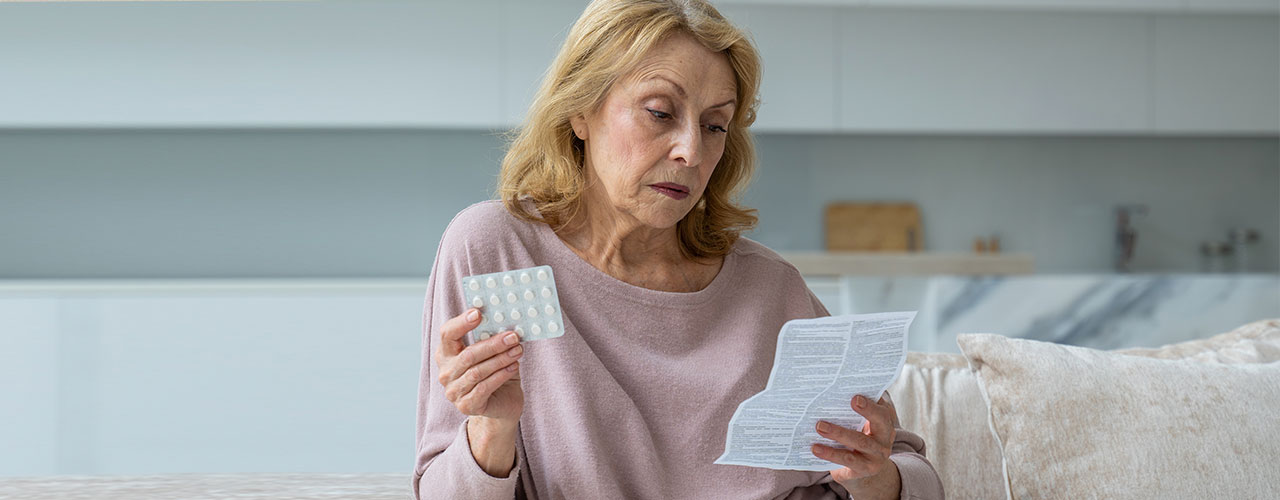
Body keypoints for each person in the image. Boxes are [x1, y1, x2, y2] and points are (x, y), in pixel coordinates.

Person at [413, 0, 944, 498]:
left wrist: (876, 476)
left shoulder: (769, 287)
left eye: (715, 125)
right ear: (580, 111)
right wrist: (491, 430)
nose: (691, 150)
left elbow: (913, 472)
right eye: (660, 112)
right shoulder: (498, 247)